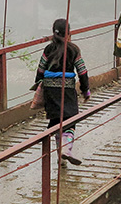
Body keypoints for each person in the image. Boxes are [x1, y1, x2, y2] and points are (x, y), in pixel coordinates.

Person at [35, 18, 90, 166]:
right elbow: (82, 72)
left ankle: (61, 157)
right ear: (68, 33)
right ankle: (66, 148)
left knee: (55, 121)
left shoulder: (48, 49)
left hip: (50, 91)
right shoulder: (73, 50)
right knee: (70, 121)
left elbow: (41, 69)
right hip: (67, 91)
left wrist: (39, 84)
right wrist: (86, 90)